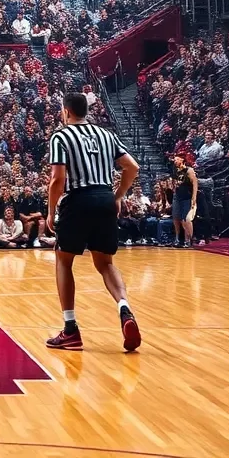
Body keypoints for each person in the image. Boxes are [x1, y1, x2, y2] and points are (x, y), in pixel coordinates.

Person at [45, 92, 141, 353]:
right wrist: (118, 196)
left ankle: (70, 330)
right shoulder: (106, 135)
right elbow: (132, 167)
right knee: (106, 263)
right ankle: (124, 307)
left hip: (78, 200)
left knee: (64, 261)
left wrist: (51, 211)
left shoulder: (61, 136)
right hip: (105, 198)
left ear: (65, 111)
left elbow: (57, 180)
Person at [171, 154, 198, 247]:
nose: (175, 161)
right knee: (176, 217)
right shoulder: (175, 171)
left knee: (185, 219)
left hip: (187, 197)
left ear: (182, 159)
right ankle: (178, 238)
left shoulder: (189, 170)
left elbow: (195, 184)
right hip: (177, 196)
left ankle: (189, 239)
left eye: (177, 159)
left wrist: (194, 197)